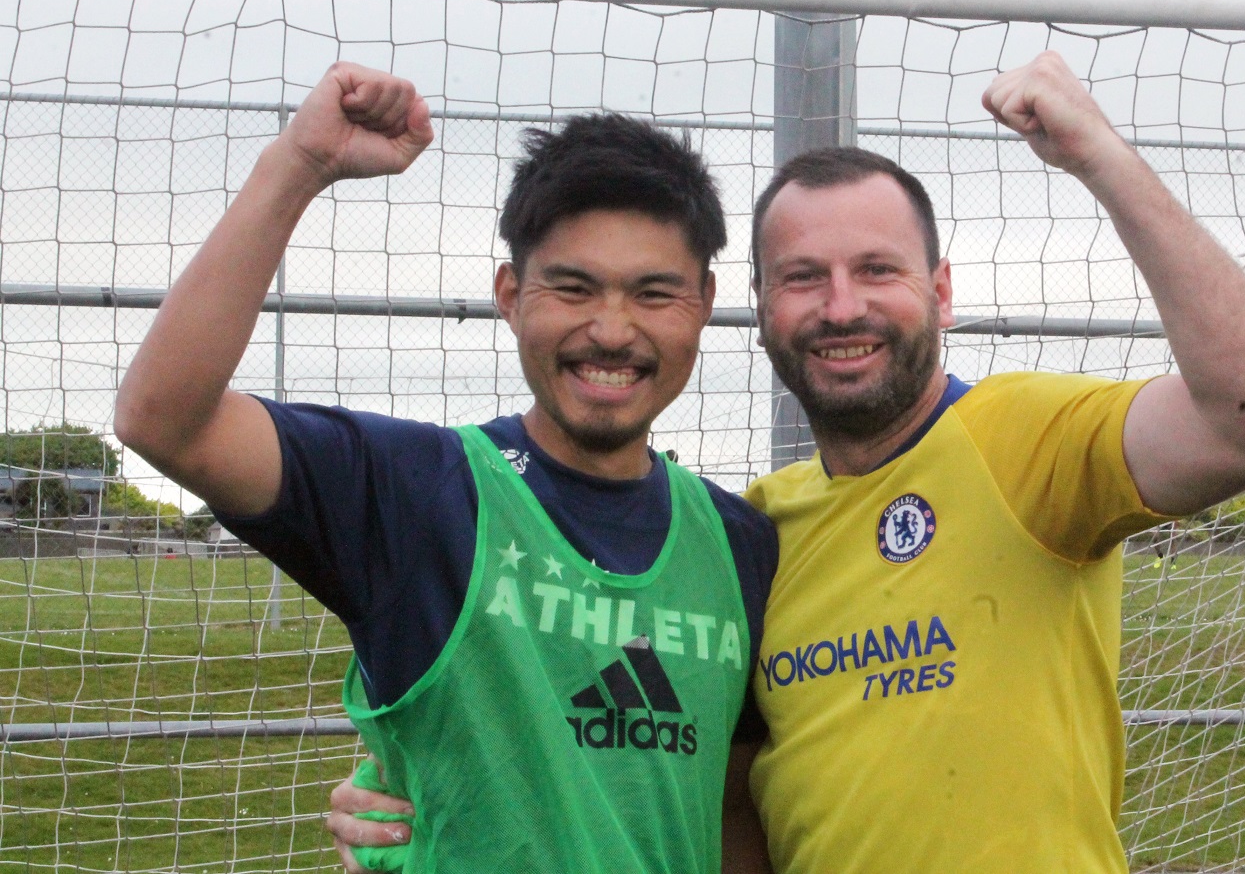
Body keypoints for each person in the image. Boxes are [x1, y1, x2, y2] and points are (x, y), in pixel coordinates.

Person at [327, 51, 1245, 872]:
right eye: (803, 277)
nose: (840, 306)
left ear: (939, 290)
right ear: (756, 307)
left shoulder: (1028, 442)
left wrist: (1097, 156)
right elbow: (658, 756)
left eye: (876, 270)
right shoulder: (750, 532)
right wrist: (415, 784)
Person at [114, 62, 778, 874]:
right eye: (572, 287)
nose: (611, 329)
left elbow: (732, 810)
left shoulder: (743, 544)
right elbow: (165, 420)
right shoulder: (415, 492)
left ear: (704, 304)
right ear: (509, 292)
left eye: (652, 293)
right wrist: (299, 164)